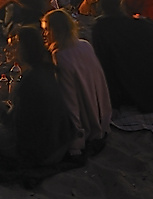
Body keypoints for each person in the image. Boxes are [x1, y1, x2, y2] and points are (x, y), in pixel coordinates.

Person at [0, 26, 73, 166]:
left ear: (25, 50)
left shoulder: (28, 82)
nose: (7, 50)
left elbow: (14, 127)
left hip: (37, 153)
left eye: (13, 46)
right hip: (59, 145)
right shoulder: (47, 70)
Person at [91, 0, 153, 113]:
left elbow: (104, 66)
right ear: (121, 5)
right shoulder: (143, 24)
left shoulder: (100, 30)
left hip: (137, 94)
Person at [42, 9, 111, 154]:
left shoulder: (60, 56)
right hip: (101, 113)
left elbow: (70, 100)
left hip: (86, 117)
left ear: (56, 31)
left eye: (47, 30)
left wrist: (76, 142)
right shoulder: (85, 45)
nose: (45, 34)